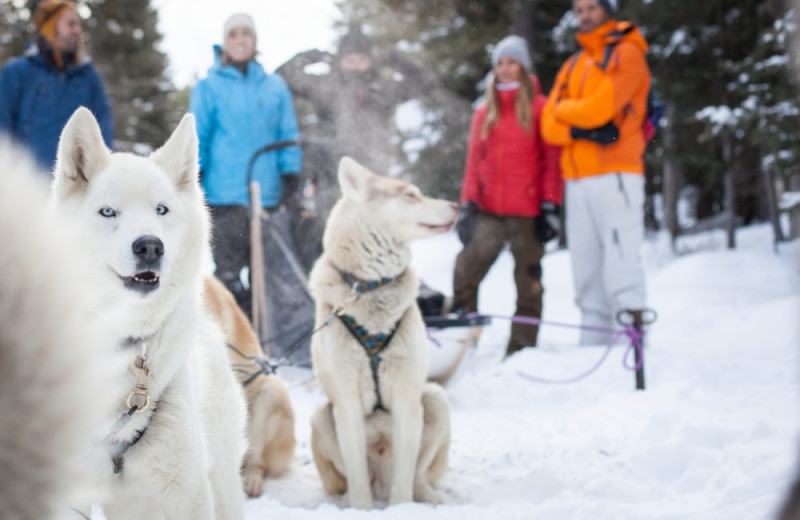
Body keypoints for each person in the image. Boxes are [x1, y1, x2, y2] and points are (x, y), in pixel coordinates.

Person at [541, 0, 652, 344]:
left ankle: (633, 346)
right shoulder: (574, 63)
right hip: (577, 178)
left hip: (616, 172)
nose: (585, 15)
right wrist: (577, 129)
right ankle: (592, 344)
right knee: (585, 267)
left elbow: (602, 109)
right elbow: (548, 124)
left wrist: (566, 112)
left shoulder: (627, 52)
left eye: (592, 7)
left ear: (608, 9)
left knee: (621, 261)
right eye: (580, 10)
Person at [452, 35, 563, 357]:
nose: (505, 68)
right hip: (488, 210)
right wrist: (467, 205)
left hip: (528, 211)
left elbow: (551, 162)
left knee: (528, 281)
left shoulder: (541, 108)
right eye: (500, 62)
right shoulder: (484, 112)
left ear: (523, 66)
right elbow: (473, 163)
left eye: (512, 62)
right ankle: (464, 342)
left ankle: (523, 347)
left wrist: (550, 205)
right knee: (465, 272)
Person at [189, 13, 302, 318]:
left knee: (266, 273)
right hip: (224, 197)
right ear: (225, 43)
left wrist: (291, 174)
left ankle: (265, 336)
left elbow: (287, 133)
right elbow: (197, 134)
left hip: (266, 196)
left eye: (246, 34)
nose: (240, 40)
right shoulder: (209, 87)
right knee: (228, 273)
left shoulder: (274, 86)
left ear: (255, 41)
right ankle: (231, 339)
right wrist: (193, 173)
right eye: (233, 35)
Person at [0, 0, 113, 172]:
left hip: (74, 188)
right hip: (26, 185)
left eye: (78, 25)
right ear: (50, 29)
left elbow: (104, 135)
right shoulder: (17, 73)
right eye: (70, 24)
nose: (77, 30)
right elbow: (3, 133)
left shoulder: (88, 77)